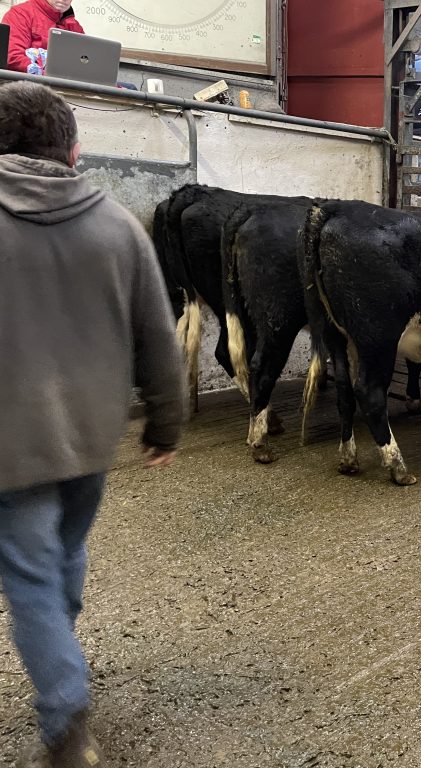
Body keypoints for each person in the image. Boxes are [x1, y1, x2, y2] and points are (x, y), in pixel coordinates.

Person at [0, 81, 185, 768]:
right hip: (90, 435)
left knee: (30, 576)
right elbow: (159, 337)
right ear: (73, 148)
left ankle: (65, 714)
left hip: (11, 441)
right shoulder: (118, 225)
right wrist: (166, 423)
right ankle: (60, 648)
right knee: (62, 554)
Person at [2, 0, 84, 74]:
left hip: (66, 86)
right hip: (27, 85)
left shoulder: (75, 26)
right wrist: (47, 74)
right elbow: (13, 57)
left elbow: (85, 63)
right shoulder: (20, 14)